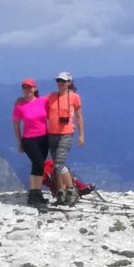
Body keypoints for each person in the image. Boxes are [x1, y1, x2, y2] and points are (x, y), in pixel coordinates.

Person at [44, 72, 85, 204]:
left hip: (65, 134)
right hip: (52, 134)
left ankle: (72, 190)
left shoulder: (74, 97)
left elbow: (79, 116)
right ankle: (61, 193)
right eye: (58, 81)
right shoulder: (50, 97)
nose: (60, 83)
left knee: (59, 164)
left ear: (69, 83)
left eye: (63, 81)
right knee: (57, 166)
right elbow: (39, 105)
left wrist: (81, 135)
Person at [11, 79, 51, 209]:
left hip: (44, 138)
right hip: (29, 139)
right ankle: (34, 194)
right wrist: (20, 142)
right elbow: (16, 125)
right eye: (24, 87)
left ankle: (36, 194)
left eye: (29, 87)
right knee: (39, 163)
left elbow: (55, 107)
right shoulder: (20, 105)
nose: (27, 90)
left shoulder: (43, 101)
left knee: (38, 166)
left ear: (34, 89)